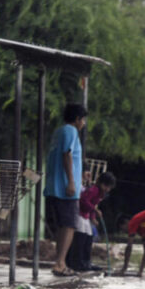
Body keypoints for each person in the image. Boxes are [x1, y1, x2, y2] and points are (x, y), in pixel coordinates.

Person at [43, 103, 86, 277]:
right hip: (65, 189)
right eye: (83, 119)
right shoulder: (71, 131)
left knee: (63, 225)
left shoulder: (58, 132)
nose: (83, 123)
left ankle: (60, 262)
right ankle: (60, 262)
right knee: (69, 225)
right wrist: (71, 182)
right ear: (77, 119)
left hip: (55, 186)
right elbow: (67, 154)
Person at [68, 170, 116, 272]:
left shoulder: (100, 194)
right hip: (79, 214)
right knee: (81, 237)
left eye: (109, 187)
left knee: (89, 237)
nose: (107, 189)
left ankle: (86, 262)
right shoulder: (94, 190)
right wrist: (94, 210)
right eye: (106, 186)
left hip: (86, 216)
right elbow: (83, 201)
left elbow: (93, 205)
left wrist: (93, 217)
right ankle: (76, 262)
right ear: (101, 183)